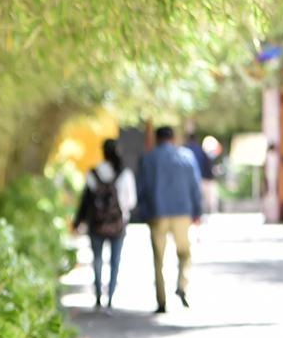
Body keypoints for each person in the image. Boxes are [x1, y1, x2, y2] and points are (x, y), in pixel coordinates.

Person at [138, 126, 203, 313]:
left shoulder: (148, 159)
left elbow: (141, 189)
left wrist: (144, 212)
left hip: (157, 213)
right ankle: (182, 285)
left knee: (158, 259)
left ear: (157, 139)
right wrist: (197, 212)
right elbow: (195, 186)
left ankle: (161, 300)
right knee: (184, 253)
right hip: (182, 213)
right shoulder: (186, 157)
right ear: (173, 139)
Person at [73, 139, 137, 310]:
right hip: (118, 224)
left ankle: (98, 296)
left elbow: (86, 200)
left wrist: (78, 221)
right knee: (115, 261)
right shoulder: (125, 174)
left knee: (97, 259)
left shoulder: (93, 173)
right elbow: (131, 201)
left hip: (96, 224)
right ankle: (110, 298)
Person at [184, 133, 217, 214]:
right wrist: (210, 177)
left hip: (187, 179)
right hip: (202, 178)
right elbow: (207, 165)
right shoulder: (200, 150)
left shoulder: (184, 150)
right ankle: (200, 213)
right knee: (201, 199)